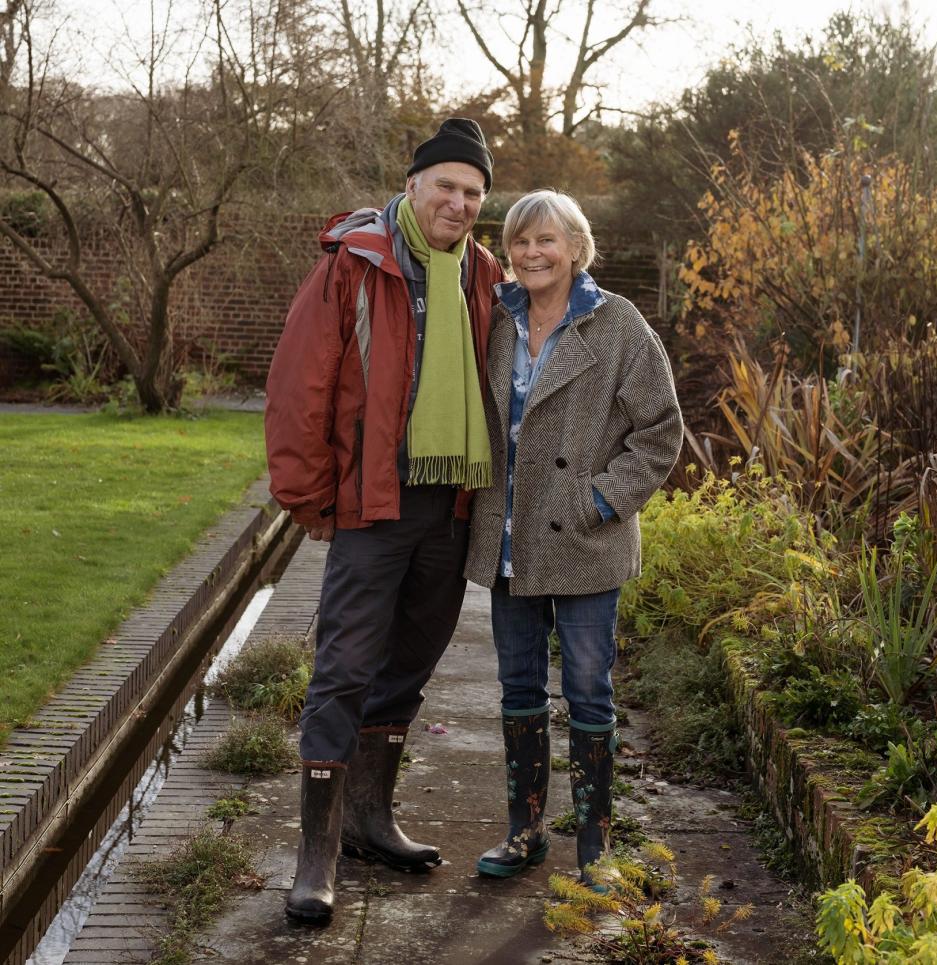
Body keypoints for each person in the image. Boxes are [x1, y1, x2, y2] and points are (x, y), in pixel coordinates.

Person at [264, 118, 503, 925]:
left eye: (474, 193)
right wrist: (308, 494)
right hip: (374, 502)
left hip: (450, 505)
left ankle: (370, 819)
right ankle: (316, 853)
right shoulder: (354, 266)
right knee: (344, 667)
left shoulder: (484, 274)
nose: (460, 203)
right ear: (413, 187)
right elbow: (301, 383)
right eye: (447, 186)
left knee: (411, 661)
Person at [464, 190, 683, 888]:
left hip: (586, 543)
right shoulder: (496, 319)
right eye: (520, 240)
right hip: (511, 540)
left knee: (589, 691)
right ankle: (524, 831)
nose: (532, 253)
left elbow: (661, 431)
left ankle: (596, 845)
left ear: (576, 248)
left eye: (546, 240)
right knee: (518, 687)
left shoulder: (618, 325)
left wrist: (598, 500)